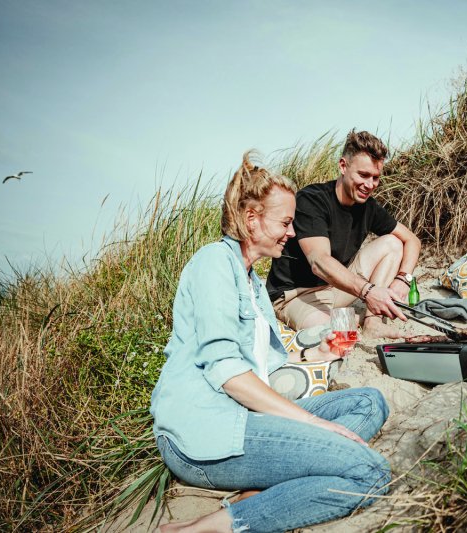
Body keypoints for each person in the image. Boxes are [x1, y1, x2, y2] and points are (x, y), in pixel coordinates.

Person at [151, 152, 391, 533]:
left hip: (248, 417)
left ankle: (261, 484)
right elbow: (227, 372)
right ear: (252, 220)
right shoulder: (213, 263)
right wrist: (314, 424)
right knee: (371, 471)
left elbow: (268, 366)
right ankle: (217, 525)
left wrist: (317, 353)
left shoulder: (252, 283)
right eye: (285, 222)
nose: (291, 232)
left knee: (368, 402)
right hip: (206, 432)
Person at [266, 130, 422, 339]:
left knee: (393, 243)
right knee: (335, 333)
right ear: (343, 166)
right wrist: (368, 292)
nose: (370, 185)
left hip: (336, 287)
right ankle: (354, 318)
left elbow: (412, 240)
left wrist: (403, 280)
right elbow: (319, 262)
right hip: (296, 295)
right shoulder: (312, 200)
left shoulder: (368, 207)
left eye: (376, 178)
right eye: (363, 175)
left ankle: (372, 322)